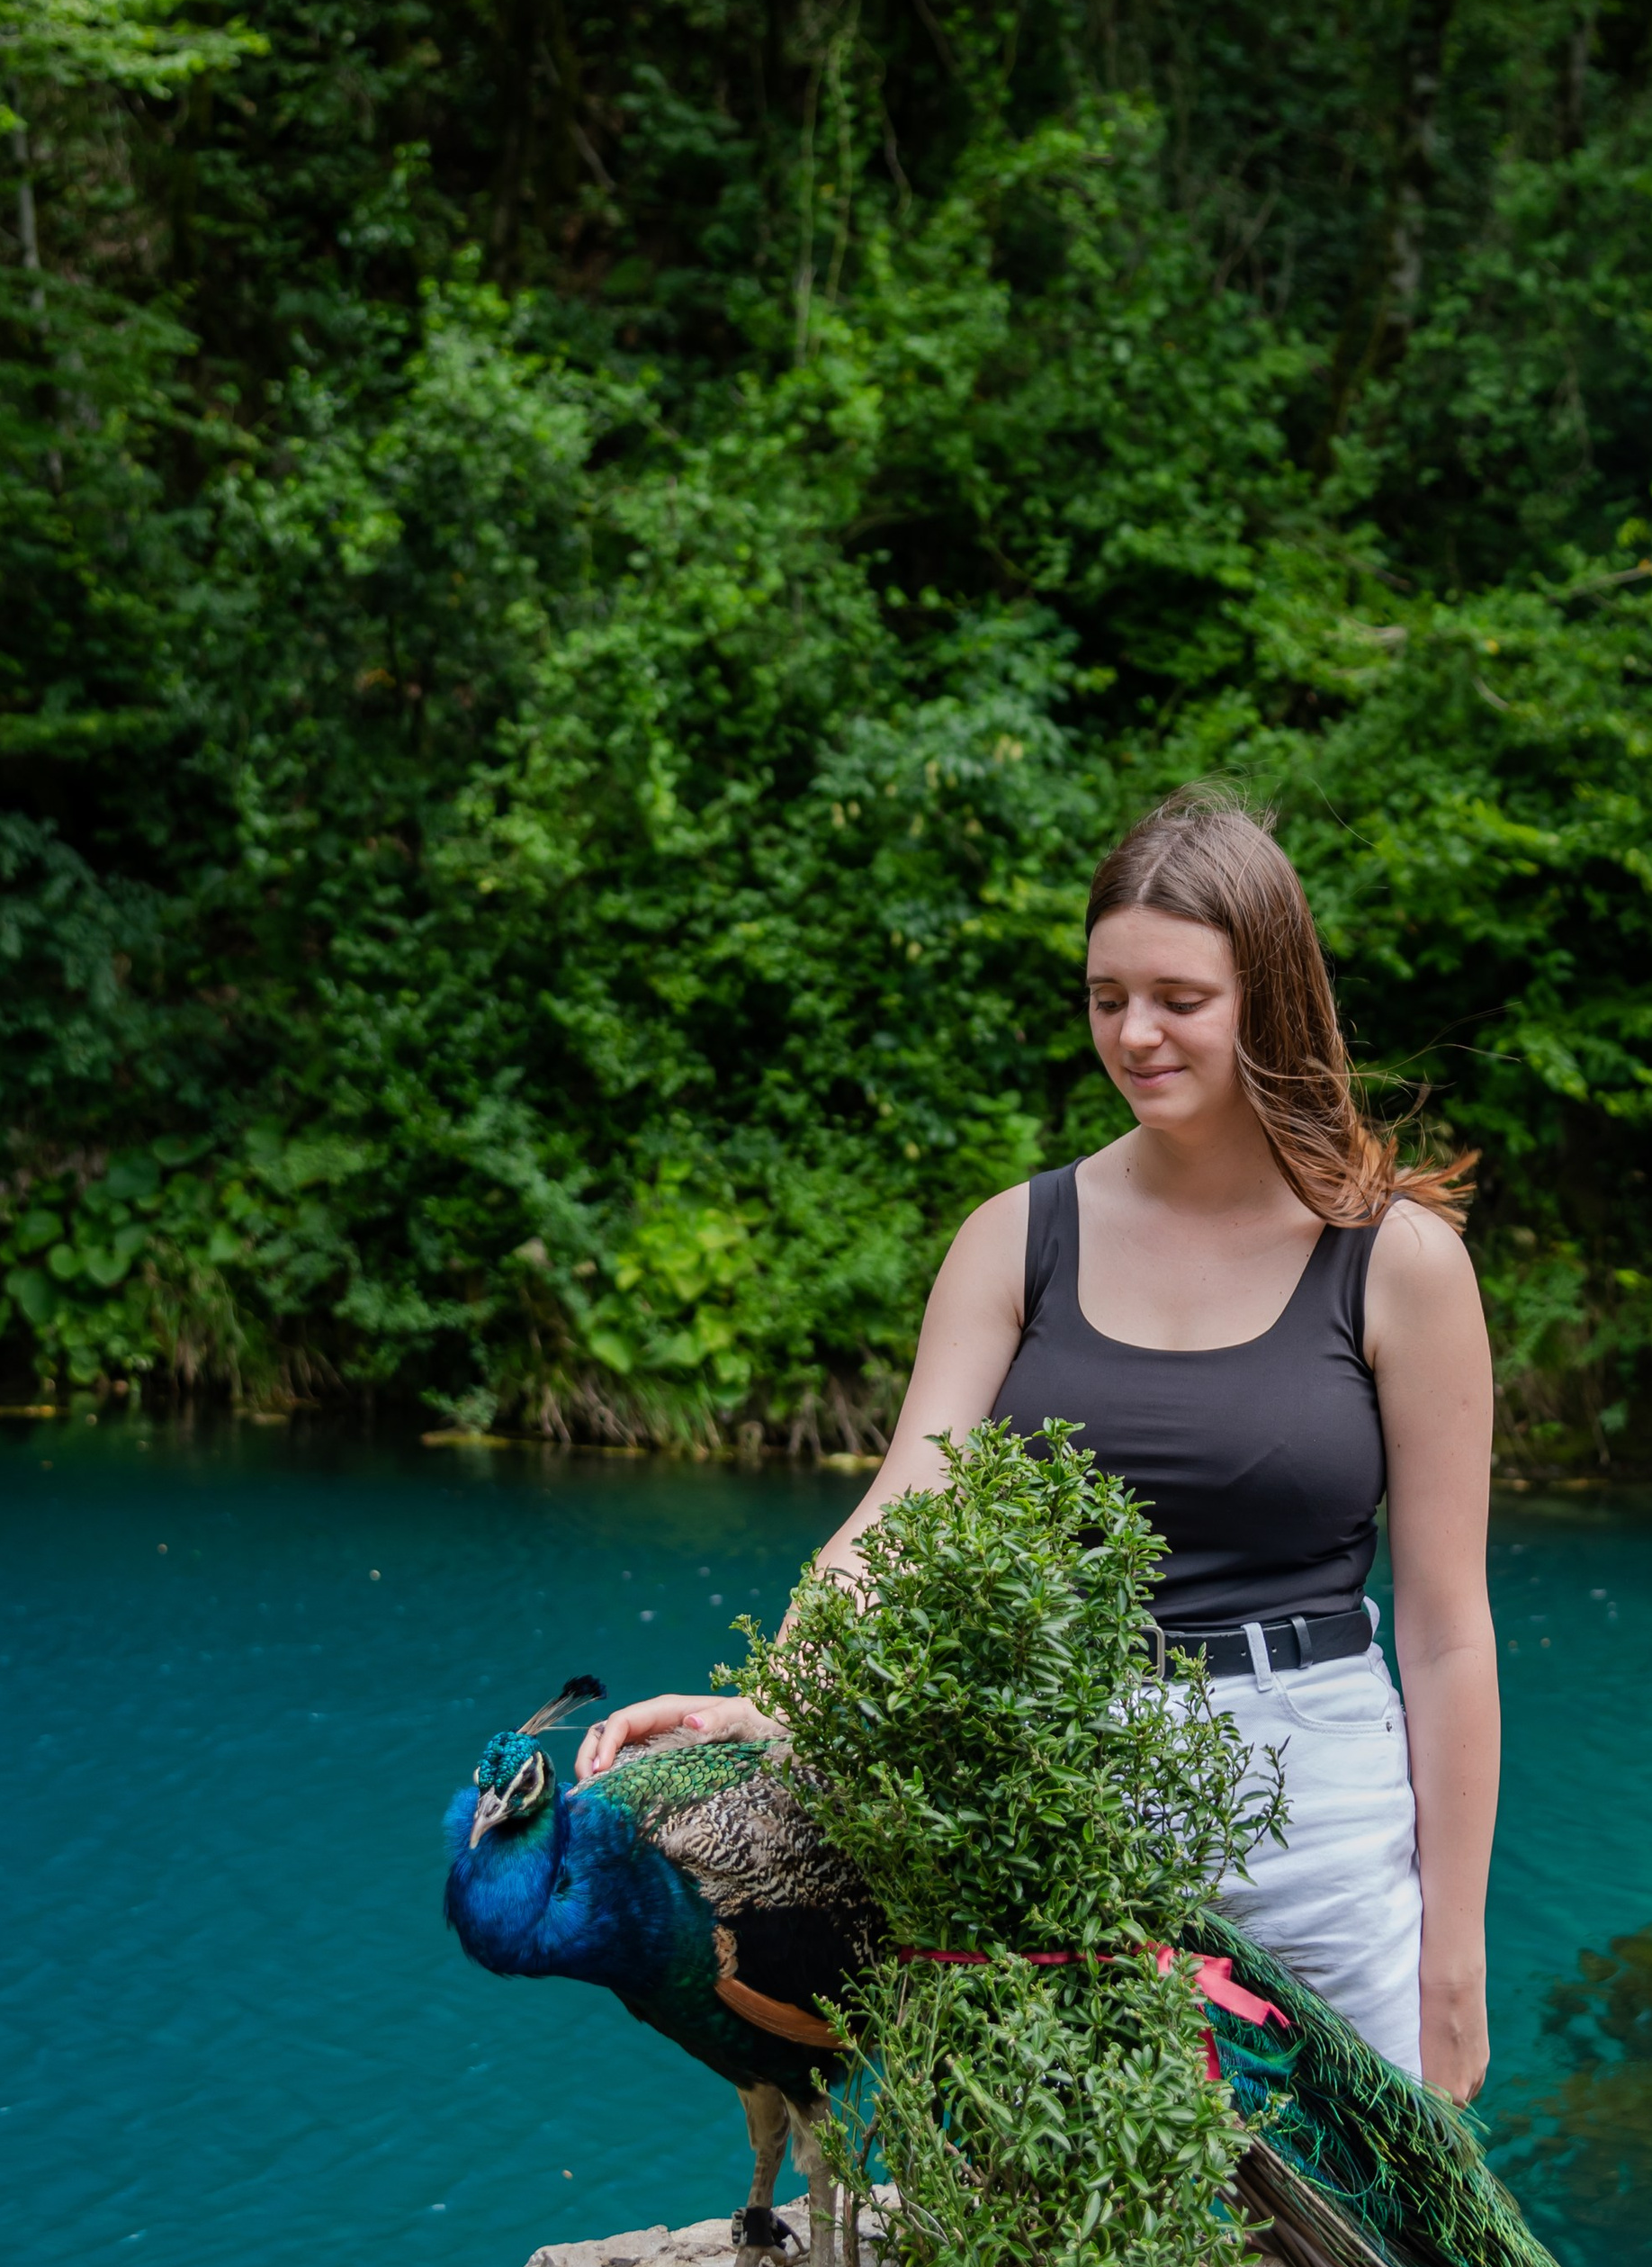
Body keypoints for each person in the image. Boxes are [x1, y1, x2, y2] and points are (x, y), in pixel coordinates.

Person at [579, 791, 1500, 2119]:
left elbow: (1451, 1634)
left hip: (1323, 1815)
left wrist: (1453, 1959)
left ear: (1273, 996)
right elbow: (901, 1516)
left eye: (1179, 997)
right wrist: (773, 1699)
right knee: (1064, 2236)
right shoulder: (1020, 1238)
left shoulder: (1396, 1260)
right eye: (1105, 993)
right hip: (1057, 1801)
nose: (1134, 1033)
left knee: (1363, 2251)